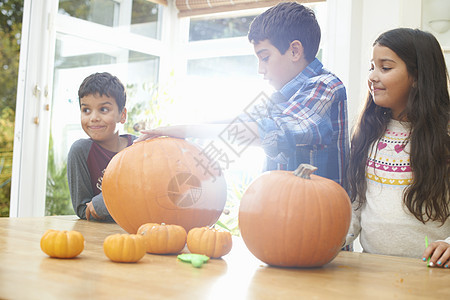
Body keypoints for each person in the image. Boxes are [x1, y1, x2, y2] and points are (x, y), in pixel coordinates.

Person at [135, 2, 349, 186]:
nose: (260, 69)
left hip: (314, 222)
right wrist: (179, 129)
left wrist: (187, 130)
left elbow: (274, 133)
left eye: (265, 57)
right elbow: (242, 121)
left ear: (294, 50)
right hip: (279, 215)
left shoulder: (325, 86)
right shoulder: (278, 98)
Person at [345, 28, 449, 268]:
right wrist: (327, 241)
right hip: (371, 271)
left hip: (431, 274)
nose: (372, 76)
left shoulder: (446, 137)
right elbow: (356, 206)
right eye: (372, 67)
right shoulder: (367, 133)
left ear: (418, 76)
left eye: (385, 67)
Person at [67, 72, 137, 221]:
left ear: (122, 115)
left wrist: (102, 203)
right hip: (99, 235)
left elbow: (151, 195)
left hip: (141, 231)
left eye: (104, 109)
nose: (93, 118)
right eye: (86, 110)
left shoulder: (139, 148)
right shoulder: (80, 151)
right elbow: (82, 209)